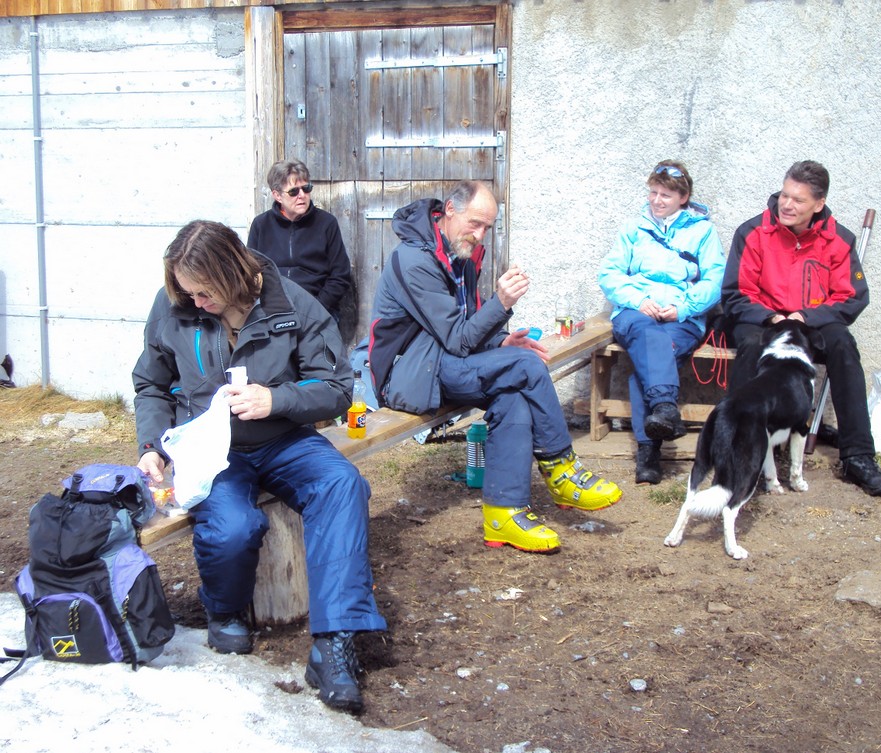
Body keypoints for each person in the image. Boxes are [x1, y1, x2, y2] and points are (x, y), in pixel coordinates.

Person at [133, 220, 386, 714]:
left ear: (232, 273)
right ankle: (223, 609)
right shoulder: (173, 305)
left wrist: (276, 399)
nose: (196, 302)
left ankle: (334, 644)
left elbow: (336, 387)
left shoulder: (291, 302)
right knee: (234, 526)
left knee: (341, 483)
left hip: (282, 438)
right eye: (189, 293)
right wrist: (151, 446)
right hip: (212, 450)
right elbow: (152, 385)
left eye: (205, 292)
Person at [367, 180, 622, 553]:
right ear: (449, 210)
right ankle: (562, 469)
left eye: (487, 227)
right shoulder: (414, 260)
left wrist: (501, 341)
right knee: (526, 365)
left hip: (441, 362)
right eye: (475, 223)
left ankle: (504, 514)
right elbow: (457, 338)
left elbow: (467, 326)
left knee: (512, 397)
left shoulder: (460, 253)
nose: (480, 234)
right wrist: (501, 302)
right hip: (406, 375)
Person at [721, 160, 881, 496]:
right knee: (752, 344)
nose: (786, 204)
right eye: (785, 195)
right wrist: (771, 316)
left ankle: (858, 456)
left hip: (810, 323)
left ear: (818, 204)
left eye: (798, 200)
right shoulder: (752, 232)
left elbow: (852, 297)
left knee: (843, 344)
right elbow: (735, 293)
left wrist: (807, 317)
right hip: (764, 320)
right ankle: (740, 452)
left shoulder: (839, 239)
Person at [598, 161, 726, 485]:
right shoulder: (634, 229)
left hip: (681, 318)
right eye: (653, 192)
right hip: (635, 312)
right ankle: (666, 407)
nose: (656, 200)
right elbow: (609, 274)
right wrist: (638, 300)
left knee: (650, 361)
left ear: (683, 197)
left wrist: (683, 307)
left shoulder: (703, 232)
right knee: (650, 340)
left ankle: (649, 453)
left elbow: (715, 280)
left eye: (665, 195)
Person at [247, 159, 353, 323]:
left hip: (318, 308)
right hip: (273, 311)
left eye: (306, 188)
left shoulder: (326, 223)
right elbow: (251, 273)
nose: (302, 195)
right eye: (293, 191)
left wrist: (317, 308)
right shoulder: (261, 225)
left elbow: (340, 275)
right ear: (277, 195)